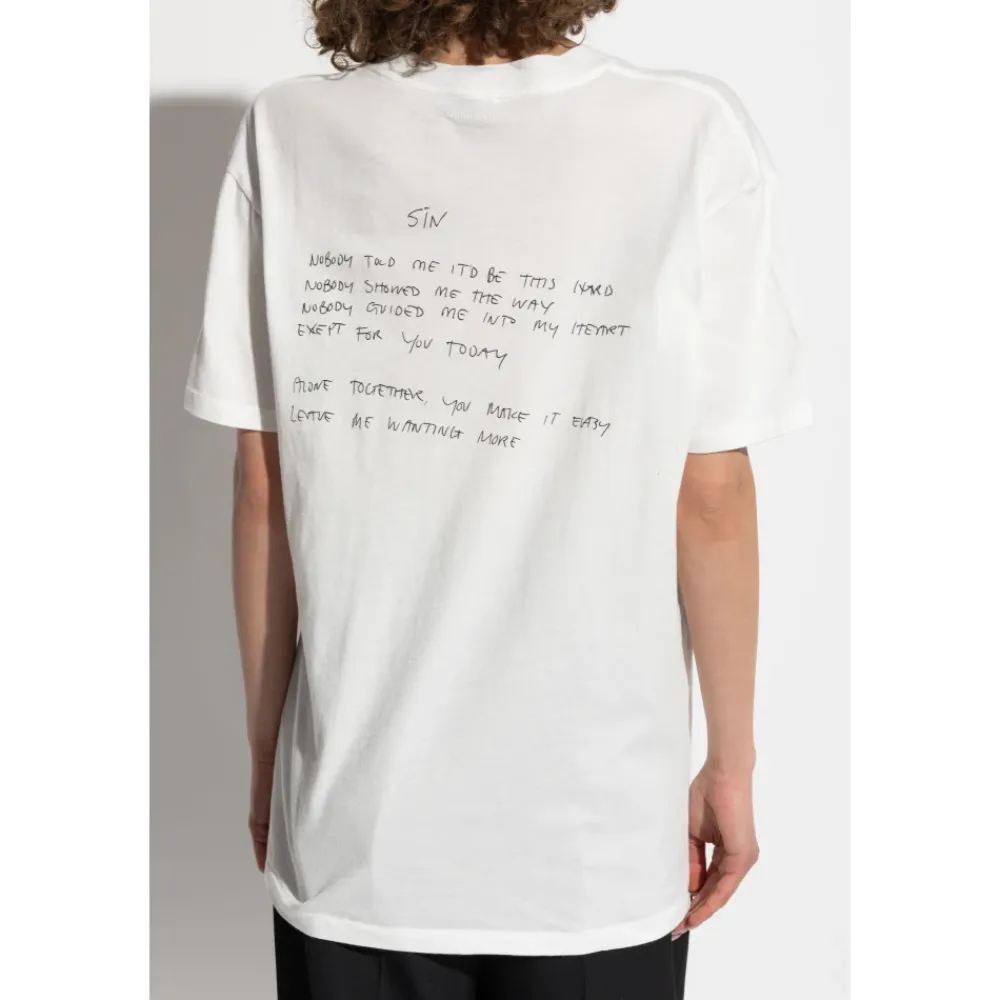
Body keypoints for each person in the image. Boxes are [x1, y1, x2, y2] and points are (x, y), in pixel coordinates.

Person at [182, 2, 811, 996]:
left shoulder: (291, 130)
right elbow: (713, 494)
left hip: (357, 823)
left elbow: (263, 485)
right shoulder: (686, 131)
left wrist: (272, 754)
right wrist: (729, 765)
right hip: (594, 834)